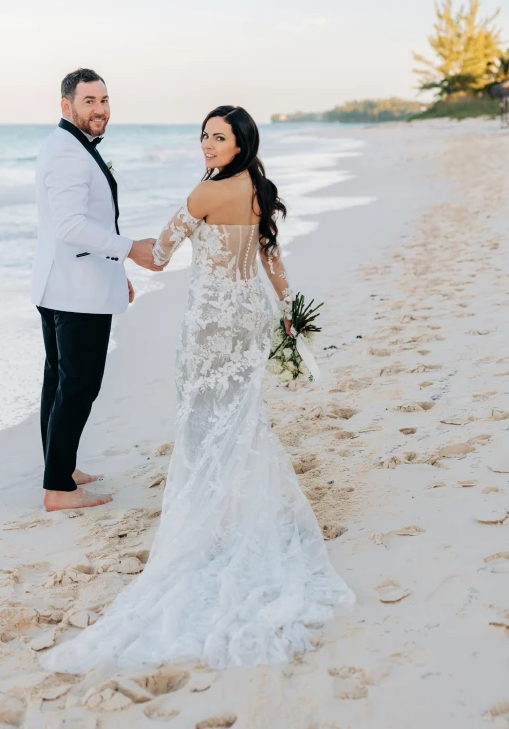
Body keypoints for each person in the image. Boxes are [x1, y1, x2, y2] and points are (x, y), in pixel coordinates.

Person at [43, 104, 354, 671]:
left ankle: (211, 514)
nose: (208, 146)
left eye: (219, 138)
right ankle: (241, 504)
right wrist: (287, 311)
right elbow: (269, 255)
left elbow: (160, 257)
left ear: (240, 143)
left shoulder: (206, 194)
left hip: (211, 321)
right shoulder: (259, 188)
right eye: (204, 136)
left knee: (201, 418)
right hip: (251, 315)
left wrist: (114, 250)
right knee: (240, 414)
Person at [31, 68, 163, 512]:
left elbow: (85, 224)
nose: (100, 109)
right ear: (66, 106)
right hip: (76, 291)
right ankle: (59, 490)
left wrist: (114, 270)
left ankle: (60, 469)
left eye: (104, 100)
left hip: (63, 283)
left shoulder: (68, 146)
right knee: (79, 385)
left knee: (61, 380)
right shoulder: (69, 153)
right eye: (89, 101)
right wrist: (130, 251)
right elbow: (71, 227)